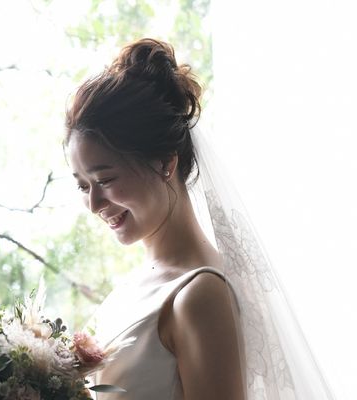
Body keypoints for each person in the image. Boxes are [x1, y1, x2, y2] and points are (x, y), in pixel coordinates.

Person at [65, 38, 334, 399]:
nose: (94, 203)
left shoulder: (200, 295)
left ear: (165, 162)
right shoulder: (128, 289)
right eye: (83, 185)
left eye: (106, 180)